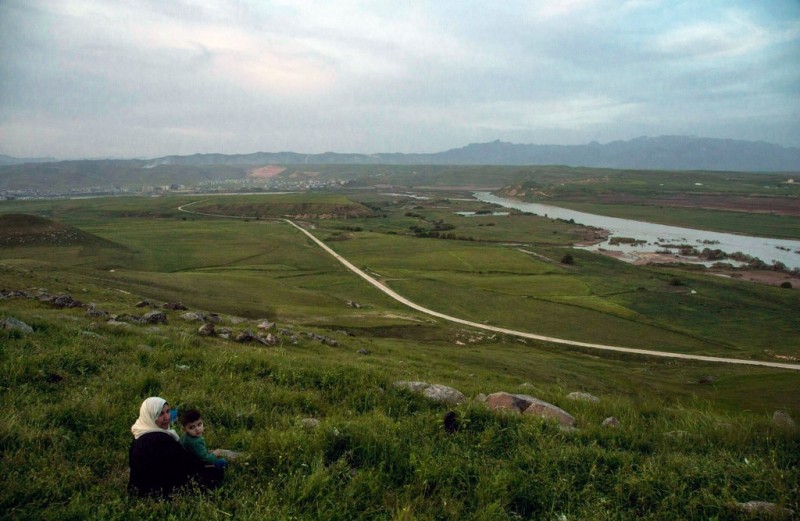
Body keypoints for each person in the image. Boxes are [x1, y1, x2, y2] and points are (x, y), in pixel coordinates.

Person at [128, 397, 223, 497]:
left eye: (168, 411)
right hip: (154, 489)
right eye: (161, 414)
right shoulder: (160, 439)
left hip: (137, 486)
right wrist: (208, 461)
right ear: (150, 416)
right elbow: (184, 463)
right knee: (213, 474)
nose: (167, 417)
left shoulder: (140, 431)